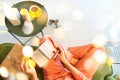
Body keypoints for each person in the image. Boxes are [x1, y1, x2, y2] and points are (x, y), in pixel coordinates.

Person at [20, 35, 105, 80]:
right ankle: (69, 58)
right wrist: (65, 61)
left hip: (54, 75)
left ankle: (68, 55)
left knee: (45, 39)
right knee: (99, 48)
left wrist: (33, 75)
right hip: (79, 74)